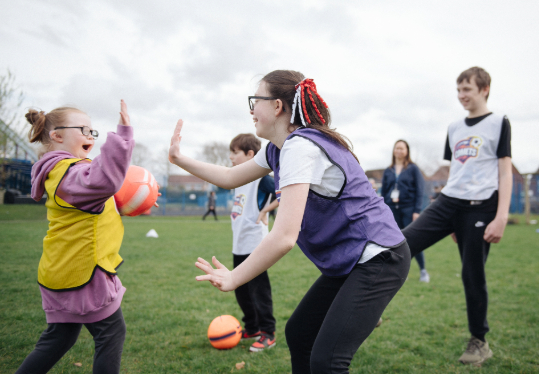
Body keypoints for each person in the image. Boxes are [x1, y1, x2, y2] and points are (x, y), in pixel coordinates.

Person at [169, 70, 410, 374]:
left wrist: (234, 277)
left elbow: (284, 237)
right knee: (299, 335)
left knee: (327, 361)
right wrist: (179, 159)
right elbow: (230, 177)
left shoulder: (300, 147)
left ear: (278, 106)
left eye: (255, 100)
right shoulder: (278, 149)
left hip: (378, 258)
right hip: (351, 263)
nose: (251, 110)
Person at [402, 67, 512, 366]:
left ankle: (479, 341)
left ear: (484, 89)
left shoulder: (498, 122)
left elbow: (504, 171)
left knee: (471, 274)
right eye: (459, 90)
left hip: (481, 207)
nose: (462, 96)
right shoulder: (454, 127)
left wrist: (501, 216)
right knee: (400, 246)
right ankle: (368, 311)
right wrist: (449, 219)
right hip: (448, 202)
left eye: (468, 90)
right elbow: (456, 171)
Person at [16, 101, 135, 374]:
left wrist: (134, 202)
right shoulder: (66, 172)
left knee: (59, 338)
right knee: (111, 334)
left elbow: (95, 202)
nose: (91, 136)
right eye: (84, 129)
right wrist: (123, 136)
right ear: (57, 135)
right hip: (82, 273)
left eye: (93, 131)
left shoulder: (66, 172)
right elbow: (103, 181)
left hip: (62, 270)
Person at [228, 133, 277, 352]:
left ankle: (268, 332)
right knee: (241, 289)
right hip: (239, 243)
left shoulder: (261, 177)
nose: (231, 157)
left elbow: (284, 191)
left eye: (235, 152)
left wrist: (266, 210)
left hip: (256, 244)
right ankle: (253, 327)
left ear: (250, 154)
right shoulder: (238, 178)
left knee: (259, 291)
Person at [381, 140, 430, 282]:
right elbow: (384, 192)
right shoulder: (388, 170)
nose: (399, 151)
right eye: (397, 148)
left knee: (412, 241)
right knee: (395, 241)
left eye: (402, 148)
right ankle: (401, 272)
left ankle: (423, 271)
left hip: (409, 209)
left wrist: (416, 210)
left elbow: (420, 191)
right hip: (392, 209)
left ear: (407, 151)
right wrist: (383, 210)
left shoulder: (413, 169)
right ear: (394, 150)